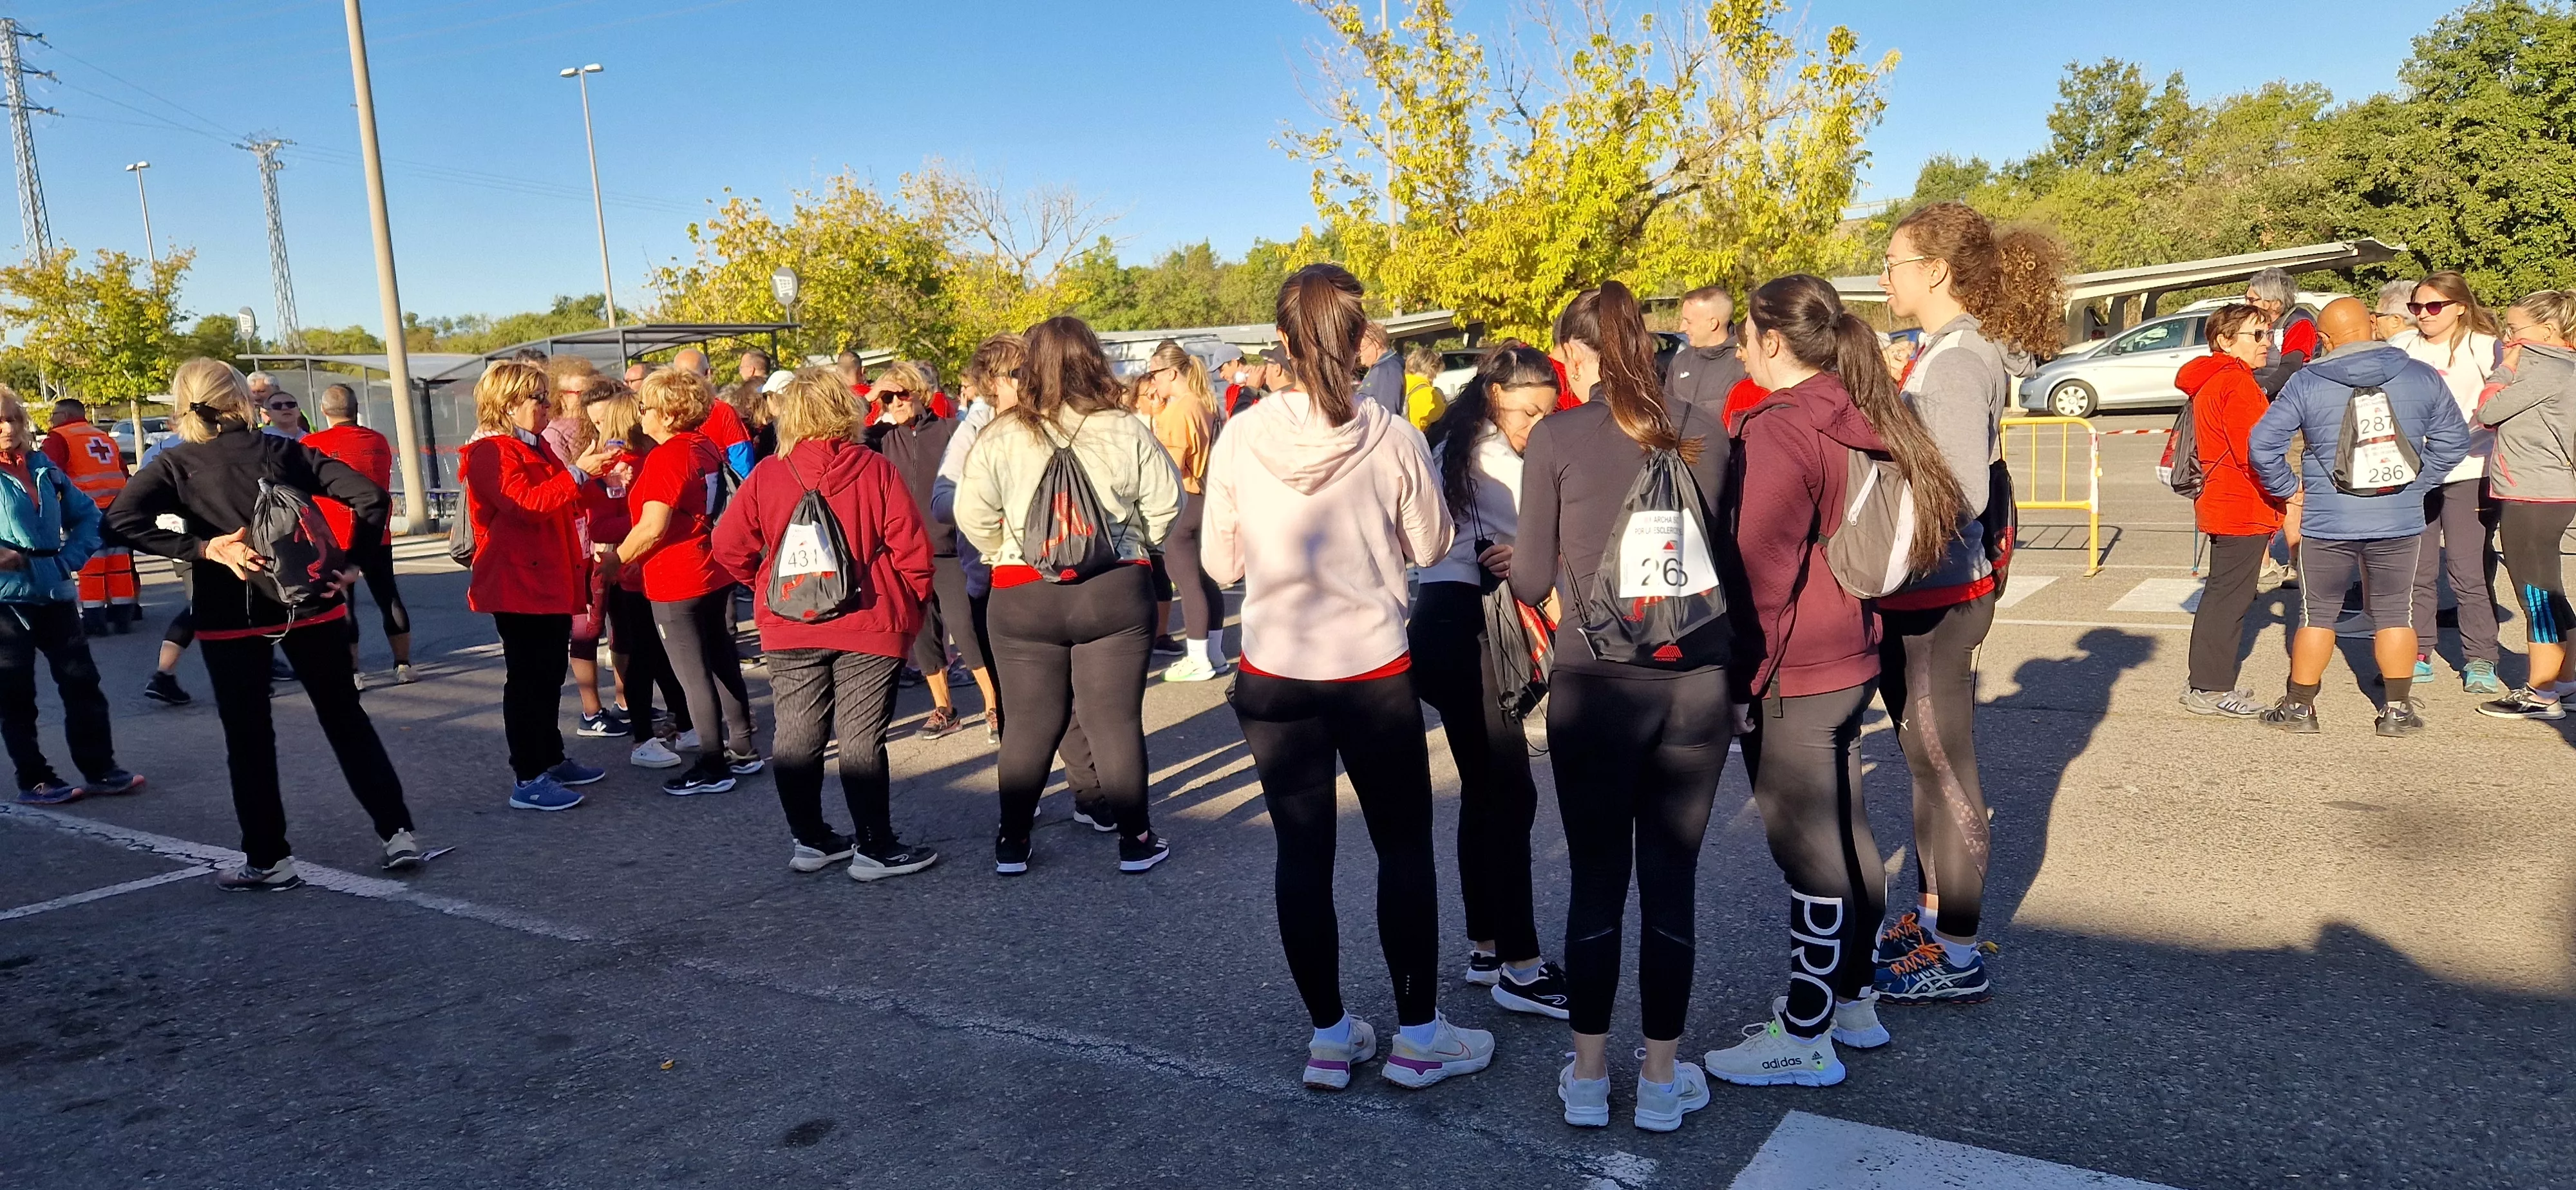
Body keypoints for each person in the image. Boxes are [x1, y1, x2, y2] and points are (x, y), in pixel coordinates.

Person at [1204, 262, 1489, 1093]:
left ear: (1284, 344)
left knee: (1302, 852)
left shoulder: (1241, 437)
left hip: (1275, 669)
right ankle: (1418, 1037)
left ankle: (1330, 1037)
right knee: (1402, 849)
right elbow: (1433, 544)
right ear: (1355, 345)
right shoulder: (1392, 435)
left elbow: (1221, 562)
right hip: (1368, 668)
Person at [1712, 272, 1960, 1088]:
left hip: (1796, 665)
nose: (1740, 348)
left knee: (1806, 851)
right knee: (1845, 830)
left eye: (1745, 335)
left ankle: (1804, 1034)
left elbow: (1760, 574)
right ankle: (1852, 1002)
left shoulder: (1782, 429)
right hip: (1853, 647)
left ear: (1771, 342)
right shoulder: (1860, 408)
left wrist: (1742, 684)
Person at [1515, 282, 1730, 1124]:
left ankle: (1589, 1076)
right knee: (1671, 883)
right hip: (1694, 685)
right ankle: (1665, 1082)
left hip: (1595, 683)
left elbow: (1532, 578)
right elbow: (1733, 570)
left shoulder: (1557, 437)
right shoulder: (1706, 437)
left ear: (1578, 355)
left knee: (1597, 882)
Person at [107, 359, 421, 889]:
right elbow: (371, 496)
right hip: (311, 605)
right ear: (241, 399)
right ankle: (398, 834)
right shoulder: (283, 449)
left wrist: (203, 548)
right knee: (346, 720)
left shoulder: (175, 464)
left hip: (229, 616)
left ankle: (269, 858)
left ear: (183, 403)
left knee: (249, 739)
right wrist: (349, 564)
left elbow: (118, 520)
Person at [1866, 201, 2066, 1005]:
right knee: (1925, 762)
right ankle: (1931, 915)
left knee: (1943, 764)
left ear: (1936, 273)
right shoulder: (1944, 348)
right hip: (1928, 589)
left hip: (1939, 591)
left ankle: (1955, 953)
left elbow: (1958, 491)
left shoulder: (1954, 360)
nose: (1883, 277)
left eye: (1893, 263)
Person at [955, 316, 1179, 875]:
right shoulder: (1124, 427)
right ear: (1092, 359)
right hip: (1112, 590)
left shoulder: (1001, 434)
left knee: (1029, 721)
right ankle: (1135, 839)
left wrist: (1005, 550)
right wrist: (1136, 545)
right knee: (1115, 721)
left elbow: (970, 515)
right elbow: (1166, 504)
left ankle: (1012, 841)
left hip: (1023, 592)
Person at [714, 368, 943, 880]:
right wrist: (908, 607)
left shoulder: (768, 475)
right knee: (862, 738)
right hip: (869, 618)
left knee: (797, 732)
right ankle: (874, 846)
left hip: (789, 621)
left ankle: (811, 839)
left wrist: (767, 585)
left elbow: (727, 546)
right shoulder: (873, 468)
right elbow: (912, 548)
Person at [1412, 344, 1567, 1021]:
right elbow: (1537, 544)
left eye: (1546, 410)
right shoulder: (1497, 458)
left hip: (1438, 625)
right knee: (1508, 797)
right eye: (1524, 407)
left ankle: (1486, 945)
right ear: (1493, 393)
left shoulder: (1446, 438)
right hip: (1471, 627)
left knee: (1485, 792)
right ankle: (1522, 968)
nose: (1535, 422)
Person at [2249, 298, 2471, 735]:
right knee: (2394, 613)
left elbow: (2263, 444)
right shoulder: (2421, 375)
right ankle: (2397, 710)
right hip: (2399, 518)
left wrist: (2289, 488)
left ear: (2325, 340)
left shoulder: (2307, 382)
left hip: (2328, 520)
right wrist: (2418, 483)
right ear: (2371, 325)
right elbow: (2454, 441)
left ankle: (2299, 708)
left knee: (2317, 614)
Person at [460, 361, 620, 811]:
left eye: (546, 396)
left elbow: (558, 497)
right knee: (529, 679)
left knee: (548, 673)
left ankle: (548, 758)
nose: (547, 405)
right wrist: (578, 474)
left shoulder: (528, 445)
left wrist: (598, 479)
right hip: (517, 581)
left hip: (545, 576)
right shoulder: (493, 450)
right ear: (507, 402)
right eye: (537, 397)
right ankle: (528, 776)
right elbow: (527, 505)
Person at [618, 368, 763, 795]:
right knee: (720, 659)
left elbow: (653, 527)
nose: (640, 415)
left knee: (693, 673)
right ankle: (741, 747)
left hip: (676, 574)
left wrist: (615, 562)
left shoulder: (669, 455)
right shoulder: (702, 445)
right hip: (709, 565)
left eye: (645, 407)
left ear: (666, 414)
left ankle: (713, 764)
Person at [0, 388, 140, 806]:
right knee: (16, 695)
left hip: (56, 591)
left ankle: (101, 768)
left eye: (12, 419)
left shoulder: (44, 467)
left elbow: (89, 517)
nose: (7, 428)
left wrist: (68, 561)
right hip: (7, 601)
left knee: (82, 683)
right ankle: (35, 777)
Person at [864, 361, 990, 737]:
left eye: (903, 394)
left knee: (967, 630)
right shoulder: (881, 439)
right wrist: (873, 395)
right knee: (923, 635)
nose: (897, 403)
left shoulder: (952, 430)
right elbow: (845, 431)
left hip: (950, 549)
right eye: (890, 398)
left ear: (920, 394)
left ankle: (995, 705)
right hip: (906, 552)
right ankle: (944, 709)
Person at [2396, 272, 2506, 694]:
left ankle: (2481, 658)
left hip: (2470, 471)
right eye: (2416, 307)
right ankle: (2419, 650)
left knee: (2466, 569)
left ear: (2460, 306)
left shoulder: (2483, 346)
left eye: (2433, 306)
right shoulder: (2402, 347)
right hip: (2415, 473)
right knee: (2418, 570)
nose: (2423, 315)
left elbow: (2506, 399)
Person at [2179, 305, 2288, 718]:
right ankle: (2209, 687)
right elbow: (2254, 453)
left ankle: (2209, 682)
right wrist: (2289, 491)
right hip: (2240, 503)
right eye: (2256, 335)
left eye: (2268, 334)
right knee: (2229, 598)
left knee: (2225, 595)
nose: (2266, 343)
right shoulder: (2236, 383)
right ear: (2226, 341)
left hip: (2224, 500)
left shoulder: (2215, 378)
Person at [2472, 291, 2576, 719]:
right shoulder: (2567, 366)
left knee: (2535, 594)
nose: (2507, 337)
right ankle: (2565, 680)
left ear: (2547, 331)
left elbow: (2489, 411)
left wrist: (2506, 365)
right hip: (2551, 492)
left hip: (2532, 493)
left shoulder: (2541, 367)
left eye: (2513, 330)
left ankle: (2541, 691)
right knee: (2550, 591)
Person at [583, 382, 694, 768]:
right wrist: (643, 523)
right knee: (642, 655)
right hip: (630, 574)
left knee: (661, 653)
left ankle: (685, 721)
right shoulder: (614, 469)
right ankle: (643, 737)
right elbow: (599, 526)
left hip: (654, 572)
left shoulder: (654, 458)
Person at [932, 335, 1017, 748]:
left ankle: (1091, 798)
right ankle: (1023, 803)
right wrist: (995, 508)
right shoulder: (978, 423)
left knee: (1067, 708)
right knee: (1013, 707)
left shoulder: (1062, 416)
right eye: (1011, 375)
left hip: (1056, 578)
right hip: (992, 576)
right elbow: (942, 501)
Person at [301, 384, 415, 687]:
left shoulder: (312, 443)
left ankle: (353, 672)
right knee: (388, 596)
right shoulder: (377, 441)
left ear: (324, 411)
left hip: (334, 537)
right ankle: (403, 664)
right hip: (376, 532)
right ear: (356, 409)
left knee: (342, 602)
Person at [1141, 340, 1230, 683]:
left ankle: (1198, 657)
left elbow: (1172, 467)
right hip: (1206, 498)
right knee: (1205, 580)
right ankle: (1215, 652)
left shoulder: (1181, 410)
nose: (1152, 382)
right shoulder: (1204, 402)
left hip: (1185, 499)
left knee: (1187, 582)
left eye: (1155, 374)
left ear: (1171, 372)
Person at [38, 399, 138, 635]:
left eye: (54, 415)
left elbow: (49, 474)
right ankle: (123, 615)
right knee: (119, 563)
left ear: (63, 415)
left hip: (86, 510)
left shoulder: (59, 438)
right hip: (117, 508)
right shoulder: (103, 437)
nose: (51, 420)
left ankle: (94, 619)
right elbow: (122, 471)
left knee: (91, 565)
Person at [1663, 285, 1749, 424]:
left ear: (1713, 324)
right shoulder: (1680, 361)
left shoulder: (1744, 365)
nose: (1682, 328)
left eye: (1689, 322)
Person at [672, 347, 757, 478]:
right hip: (716, 490)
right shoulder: (722, 411)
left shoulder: (663, 413)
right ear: (708, 373)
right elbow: (742, 463)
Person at [2245, 266, 2321, 390]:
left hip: (2288, 397)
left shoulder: (2300, 324)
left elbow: (2291, 367)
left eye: (2252, 300)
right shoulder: (2258, 324)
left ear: (2276, 303)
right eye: (2247, 299)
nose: (2247, 304)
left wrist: (2264, 390)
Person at [1355, 321, 1407, 421]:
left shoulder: (1388, 370)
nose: (1358, 352)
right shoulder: (1380, 369)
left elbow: (1386, 416)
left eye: (1361, 347)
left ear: (1377, 344)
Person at [1401, 346, 1448, 431]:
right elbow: (1445, 421)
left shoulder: (1400, 383)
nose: (1435, 377)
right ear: (1433, 368)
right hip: (1419, 441)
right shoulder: (1431, 394)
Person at [248, 373, 308, 440]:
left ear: (276, 389)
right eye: (253, 392)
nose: (256, 396)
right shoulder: (248, 414)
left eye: (261, 391)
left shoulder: (293, 413)